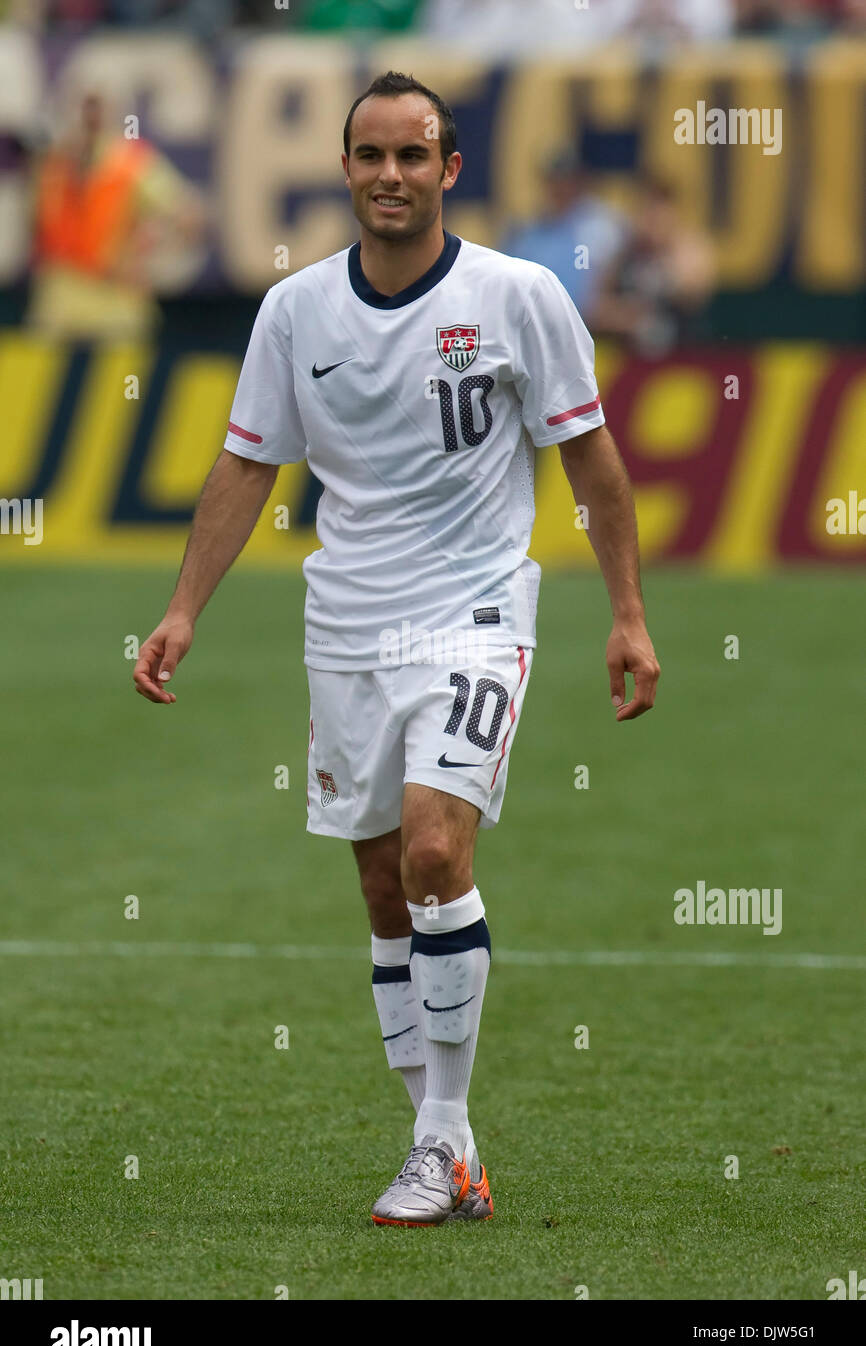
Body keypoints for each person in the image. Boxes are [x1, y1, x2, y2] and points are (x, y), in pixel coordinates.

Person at [133, 71, 660, 1227]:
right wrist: (182, 611)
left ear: (449, 169)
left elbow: (593, 463)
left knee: (432, 851)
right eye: (368, 155)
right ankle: (452, 1147)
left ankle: (431, 1143)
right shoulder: (296, 312)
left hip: (473, 616)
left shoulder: (518, 297)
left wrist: (625, 614)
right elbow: (243, 465)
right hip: (346, 628)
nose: (388, 175)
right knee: (382, 890)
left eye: (411, 156)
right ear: (343, 167)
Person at [29, 90, 203, 342]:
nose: (88, 118)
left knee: (120, 377)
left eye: (96, 108)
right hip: (60, 302)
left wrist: (151, 256)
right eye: (83, 107)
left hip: (115, 304)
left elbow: (188, 216)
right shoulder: (52, 163)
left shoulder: (131, 162)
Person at [592, 175, 714, 355]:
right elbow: (596, 308)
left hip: (685, 357)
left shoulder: (690, 249)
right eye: (646, 209)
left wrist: (664, 258)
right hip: (630, 360)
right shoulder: (623, 254)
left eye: (659, 209)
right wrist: (628, 317)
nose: (652, 218)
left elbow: (694, 295)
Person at [502, 151, 629, 323]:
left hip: (587, 327)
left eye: (567, 180)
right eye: (554, 180)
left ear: (579, 182)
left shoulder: (602, 225)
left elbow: (608, 283)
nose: (560, 187)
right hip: (533, 323)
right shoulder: (527, 231)